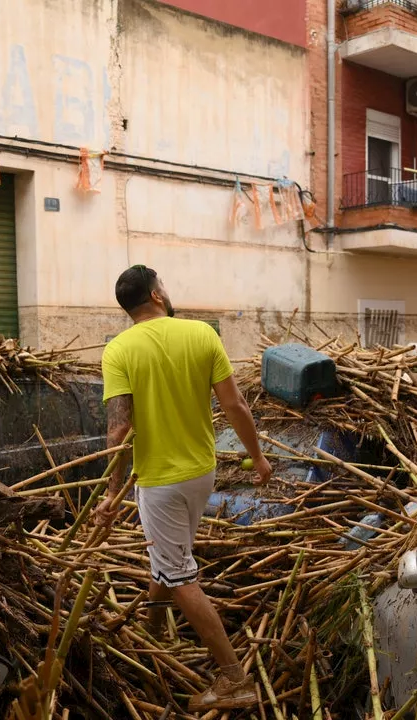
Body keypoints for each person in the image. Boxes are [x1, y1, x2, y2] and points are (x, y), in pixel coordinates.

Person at [94, 264, 272, 712]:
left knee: (179, 572)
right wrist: (258, 456)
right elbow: (234, 404)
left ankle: (234, 678)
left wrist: (111, 493)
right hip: (200, 473)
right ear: (156, 295)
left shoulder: (118, 351)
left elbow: (118, 432)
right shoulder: (202, 335)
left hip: (160, 482)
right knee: (168, 558)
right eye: (164, 286)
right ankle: (153, 632)